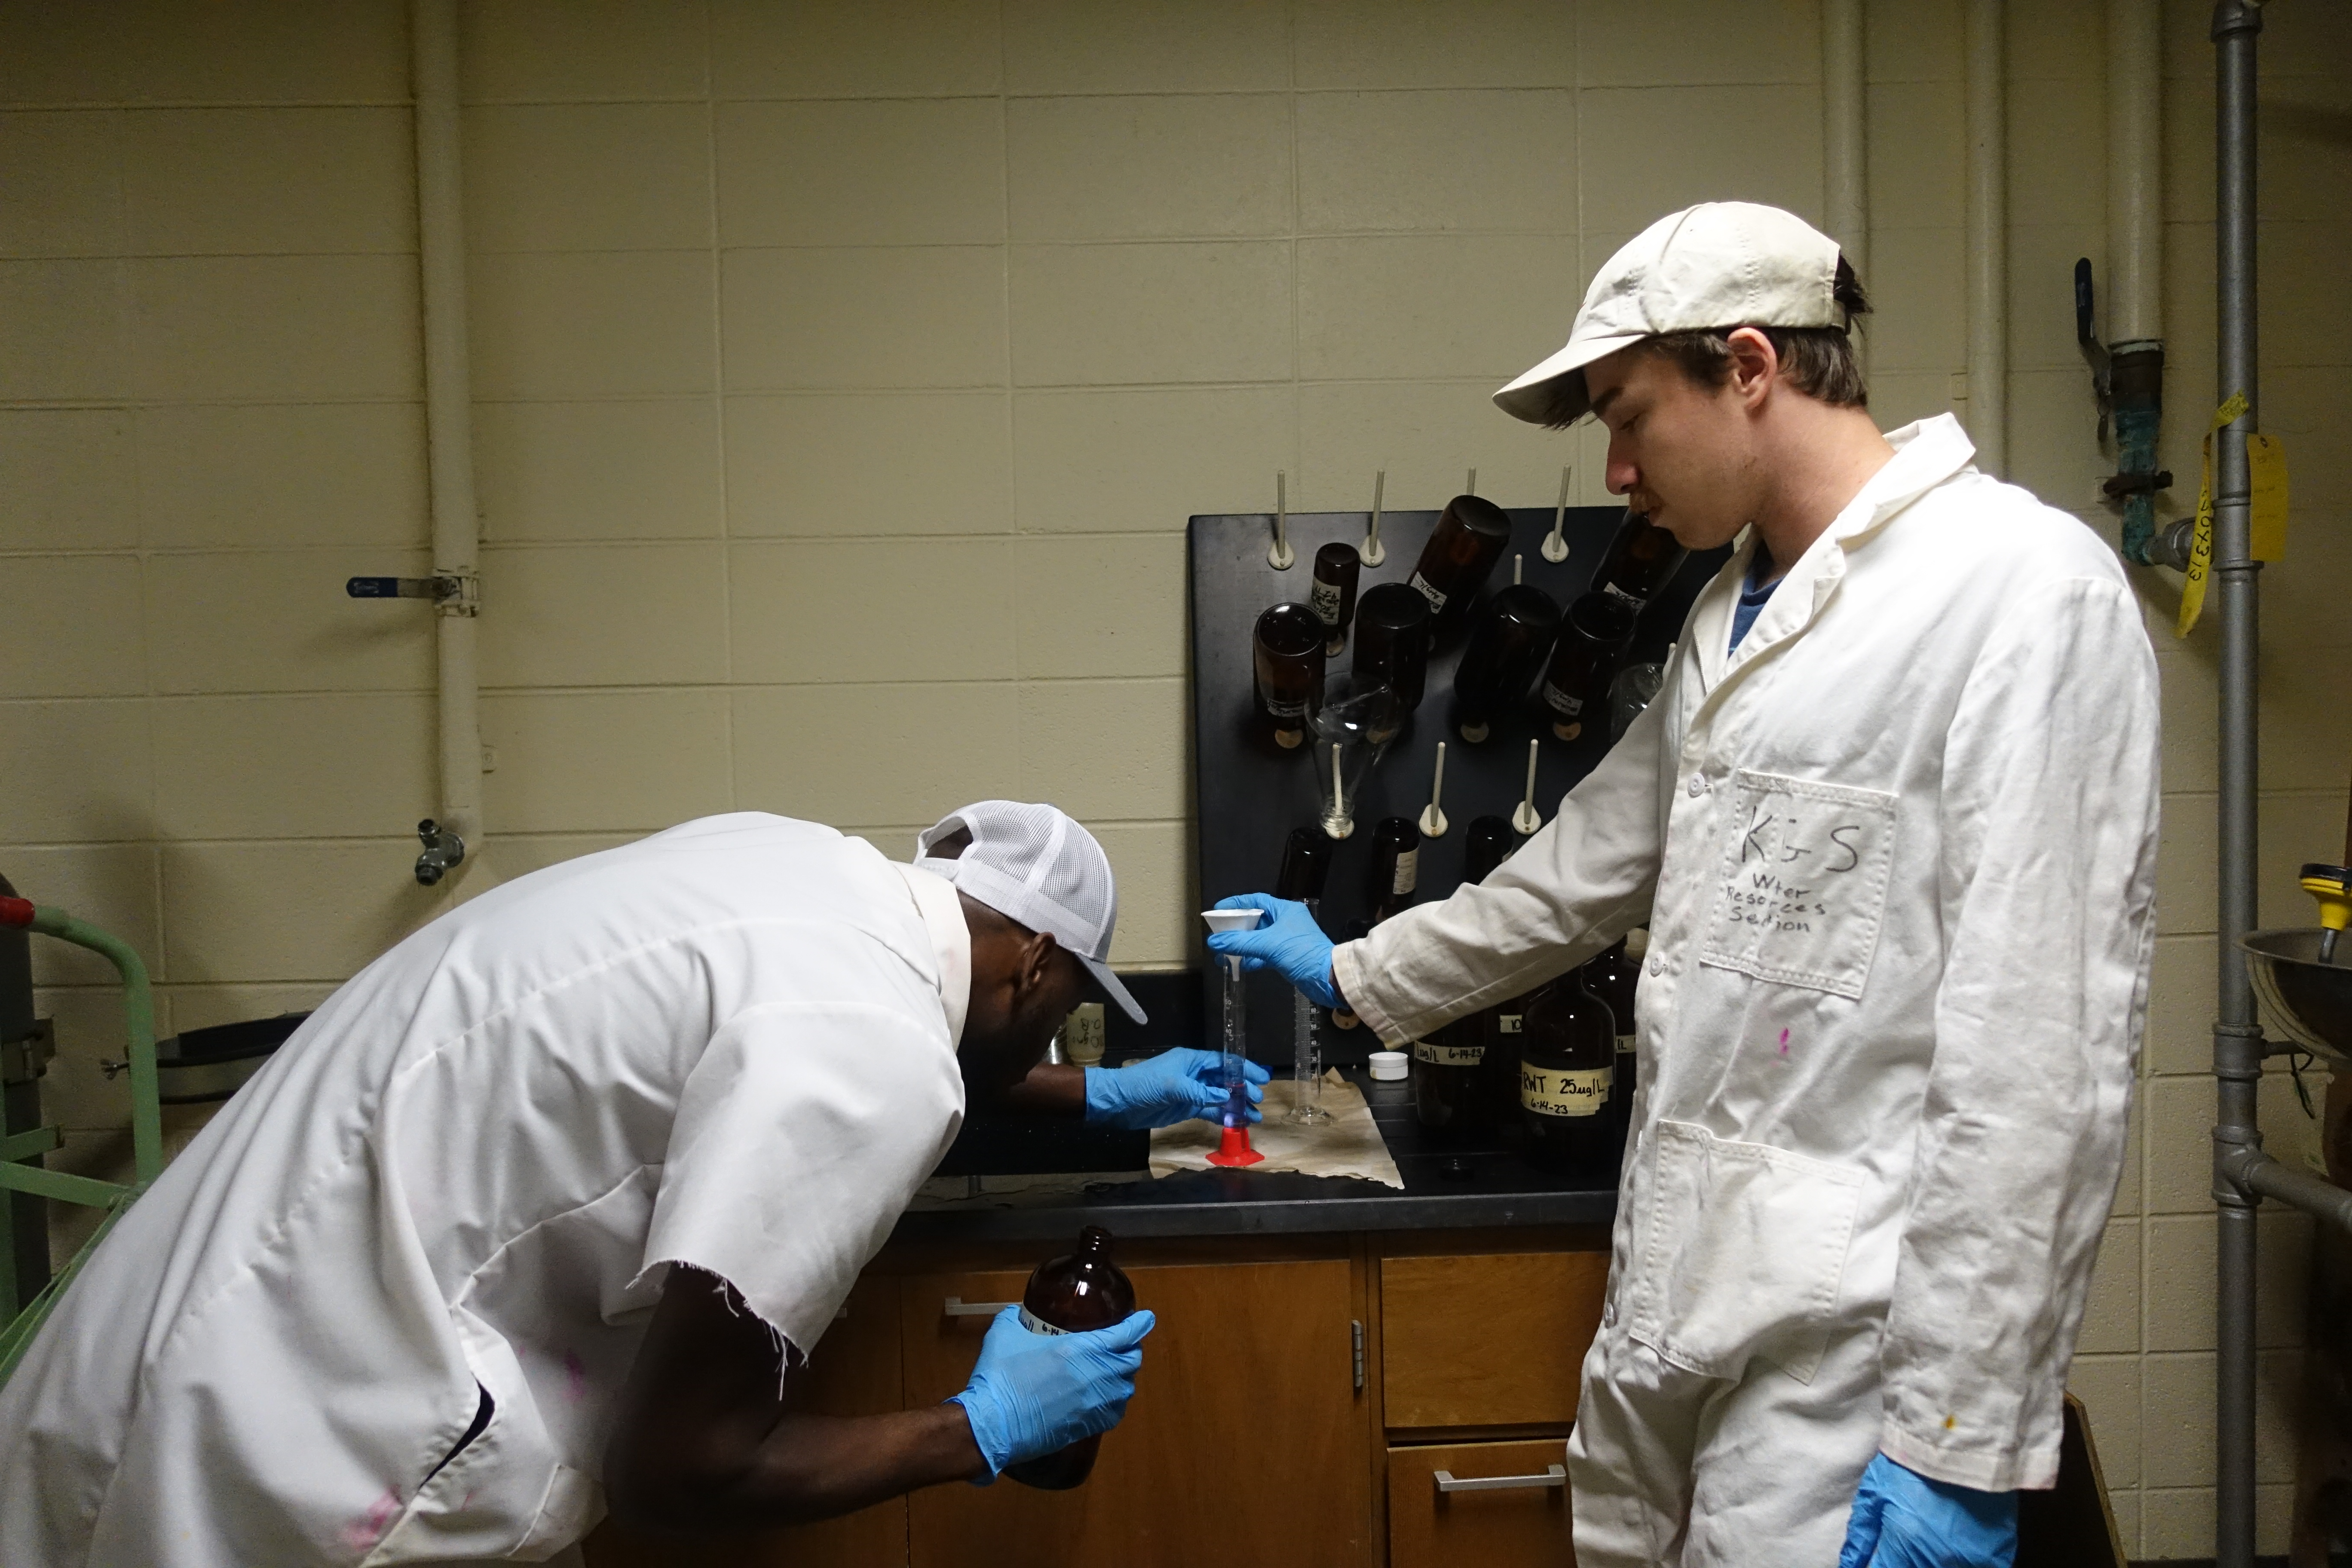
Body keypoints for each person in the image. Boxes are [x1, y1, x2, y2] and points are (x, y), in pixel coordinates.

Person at [1211, 202, 2159, 1568]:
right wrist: (1362, 973)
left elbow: (2040, 1054)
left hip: (1859, 1353)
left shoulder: (2020, 593)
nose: (1613, 471)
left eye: (1629, 416)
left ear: (1752, 368)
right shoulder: (1731, 613)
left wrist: (1960, 1435)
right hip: (1685, 1294)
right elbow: (1584, 870)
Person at [0, 802, 1262, 1567]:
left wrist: (1099, 1096)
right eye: (1060, 1026)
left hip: (178, 1340)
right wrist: (975, 1430)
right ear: (1036, 960)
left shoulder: (798, 873)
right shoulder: (872, 1048)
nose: (1052, 1048)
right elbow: (686, 1470)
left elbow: (800, 1043)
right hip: (287, 1458)